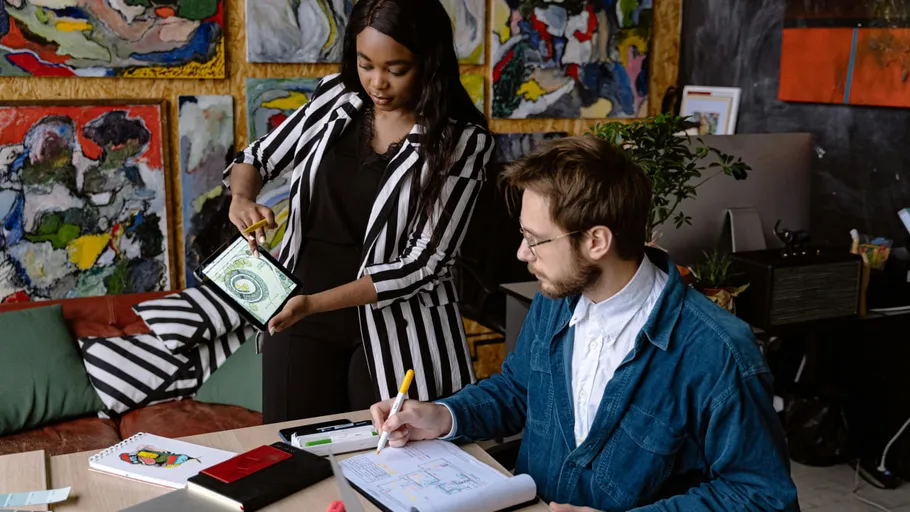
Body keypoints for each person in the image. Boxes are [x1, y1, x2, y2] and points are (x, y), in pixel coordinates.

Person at [369, 136, 799, 511]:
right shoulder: (556, 301)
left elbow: (761, 496)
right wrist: (443, 415)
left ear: (596, 241)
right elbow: (520, 389)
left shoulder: (719, 353)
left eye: (535, 240)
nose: (522, 253)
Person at [223, 0, 493, 424]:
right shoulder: (336, 96)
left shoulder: (461, 142)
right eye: (365, 64)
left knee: (393, 466)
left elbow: (425, 263)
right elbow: (256, 159)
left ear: (429, 62)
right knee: (295, 453)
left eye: (396, 69)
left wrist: (315, 303)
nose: (376, 83)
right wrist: (242, 199)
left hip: (398, 330)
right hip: (297, 314)